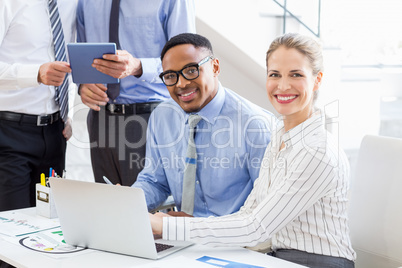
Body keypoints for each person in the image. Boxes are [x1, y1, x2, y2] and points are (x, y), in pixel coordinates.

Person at [150, 33, 357, 268]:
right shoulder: (280, 136)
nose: (283, 85)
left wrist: (164, 226)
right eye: (275, 75)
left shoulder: (316, 150)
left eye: (296, 75)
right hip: (277, 258)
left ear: (317, 80)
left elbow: (255, 228)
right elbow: (248, 214)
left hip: (318, 262)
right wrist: (175, 226)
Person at [133, 33, 273, 217]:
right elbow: (155, 181)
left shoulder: (255, 125)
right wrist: (130, 201)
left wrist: (194, 228)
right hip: (180, 237)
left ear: (215, 67)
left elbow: (266, 210)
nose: (181, 84)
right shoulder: (162, 116)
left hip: (235, 241)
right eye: (170, 76)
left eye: (191, 70)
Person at [77, 0, 196, 186]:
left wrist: (139, 67)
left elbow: (187, 60)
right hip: (100, 120)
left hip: (149, 119)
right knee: (105, 206)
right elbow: (82, 54)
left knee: (147, 208)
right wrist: (83, 84)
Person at [0, 0, 76, 212]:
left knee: (50, 221)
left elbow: (66, 61)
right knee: (11, 226)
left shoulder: (70, 4)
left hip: (54, 133)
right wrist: (35, 74)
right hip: (9, 134)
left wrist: (66, 112)